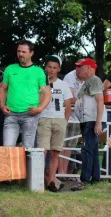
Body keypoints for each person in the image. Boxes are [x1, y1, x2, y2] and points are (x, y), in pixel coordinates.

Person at [0, 40, 49, 148]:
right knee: (7, 148)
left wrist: (40, 109)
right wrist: (2, 105)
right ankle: (11, 166)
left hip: (30, 114)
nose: (20, 54)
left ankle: (26, 166)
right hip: (11, 113)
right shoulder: (10, 69)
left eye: (23, 52)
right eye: (18, 51)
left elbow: (47, 93)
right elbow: (3, 89)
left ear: (31, 53)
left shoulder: (39, 71)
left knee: (28, 149)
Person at [38, 55, 72, 192]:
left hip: (59, 119)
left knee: (56, 152)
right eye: (49, 67)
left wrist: (64, 121)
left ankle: (51, 180)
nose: (51, 70)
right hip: (44, 118)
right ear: (45, 68)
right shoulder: (40, 83)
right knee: (42, 151)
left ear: (59, 69)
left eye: (54, 68)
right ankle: (40, 180)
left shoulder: (63, 85)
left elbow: (68, 105)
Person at [71, 58, 104, 191]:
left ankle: (85, 180)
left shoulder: (94, 80)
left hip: (91, 121)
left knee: (87, 150)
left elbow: (100, 100)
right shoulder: (87, 82)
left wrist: (98, 122)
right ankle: (95, 178)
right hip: (87, 121)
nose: (77, 69)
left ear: (89, 69)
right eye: (77, 67)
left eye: (81, 67)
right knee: (93, 150)